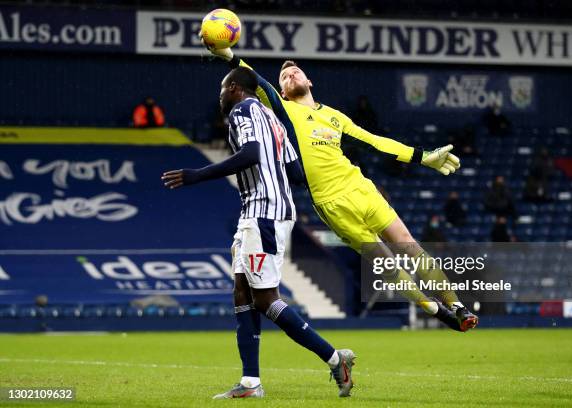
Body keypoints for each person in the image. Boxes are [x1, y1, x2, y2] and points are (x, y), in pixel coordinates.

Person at [206, 46, 478, 333]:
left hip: (360, 188)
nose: (291, 75)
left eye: (296, 71)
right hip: (330, 203)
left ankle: (457, 306)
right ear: (282, 92)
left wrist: (421, 156)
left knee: (408, 244)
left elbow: (374, 141)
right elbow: (257, 81)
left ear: (309, 81)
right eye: (284, 76)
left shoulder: (335, 117)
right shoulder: (284, 110)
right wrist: (231, 57)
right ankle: (436, 310)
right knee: (386, 265)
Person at [161, 67, 355, 399]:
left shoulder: (243, 109)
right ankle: (250, 383)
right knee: (242, 292)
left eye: (222, 90)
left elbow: (251, 153)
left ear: (234, 88)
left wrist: (197, 175)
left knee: (266, 299)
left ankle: (335, 358)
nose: (220, 97)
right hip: (266, 210)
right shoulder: (273, 118)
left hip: (263, 211)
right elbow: (295, 172)